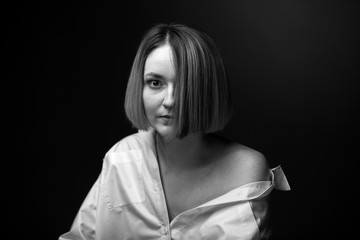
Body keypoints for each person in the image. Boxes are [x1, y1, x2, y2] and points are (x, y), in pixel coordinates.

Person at [59, 23, 290, 240]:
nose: (169, 101)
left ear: (208, 90)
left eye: (184, 85)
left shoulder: (247, 168)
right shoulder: (122, 157)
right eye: (155, 83)